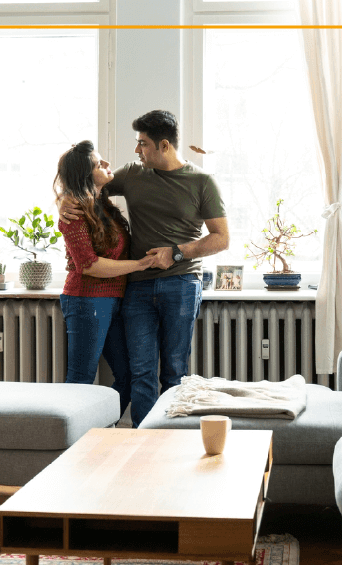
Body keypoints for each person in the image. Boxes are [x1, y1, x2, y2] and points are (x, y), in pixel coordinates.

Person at [60, 110, 230, 425]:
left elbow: (221, 239)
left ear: (164, 145)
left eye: (143, 143)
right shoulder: (133, 174)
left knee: (174, 372)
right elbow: (84, 185)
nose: (137, 151)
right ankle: (142, 443)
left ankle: (169, 443)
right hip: (136, 288)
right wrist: (62, 201)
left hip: (181, 284)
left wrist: (177, 252)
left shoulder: (202, 182)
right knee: (141, 373)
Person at [54, 140, 159, 420]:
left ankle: (97, 431)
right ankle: (70, 443)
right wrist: (138, 265)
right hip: (86, 300)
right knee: (81, 378)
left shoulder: (103, 206)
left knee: (126, 376)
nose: (107, 165)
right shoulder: (73, 212)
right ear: (86, 175)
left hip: (114, 301)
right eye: (99, 164)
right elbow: (88, 266)